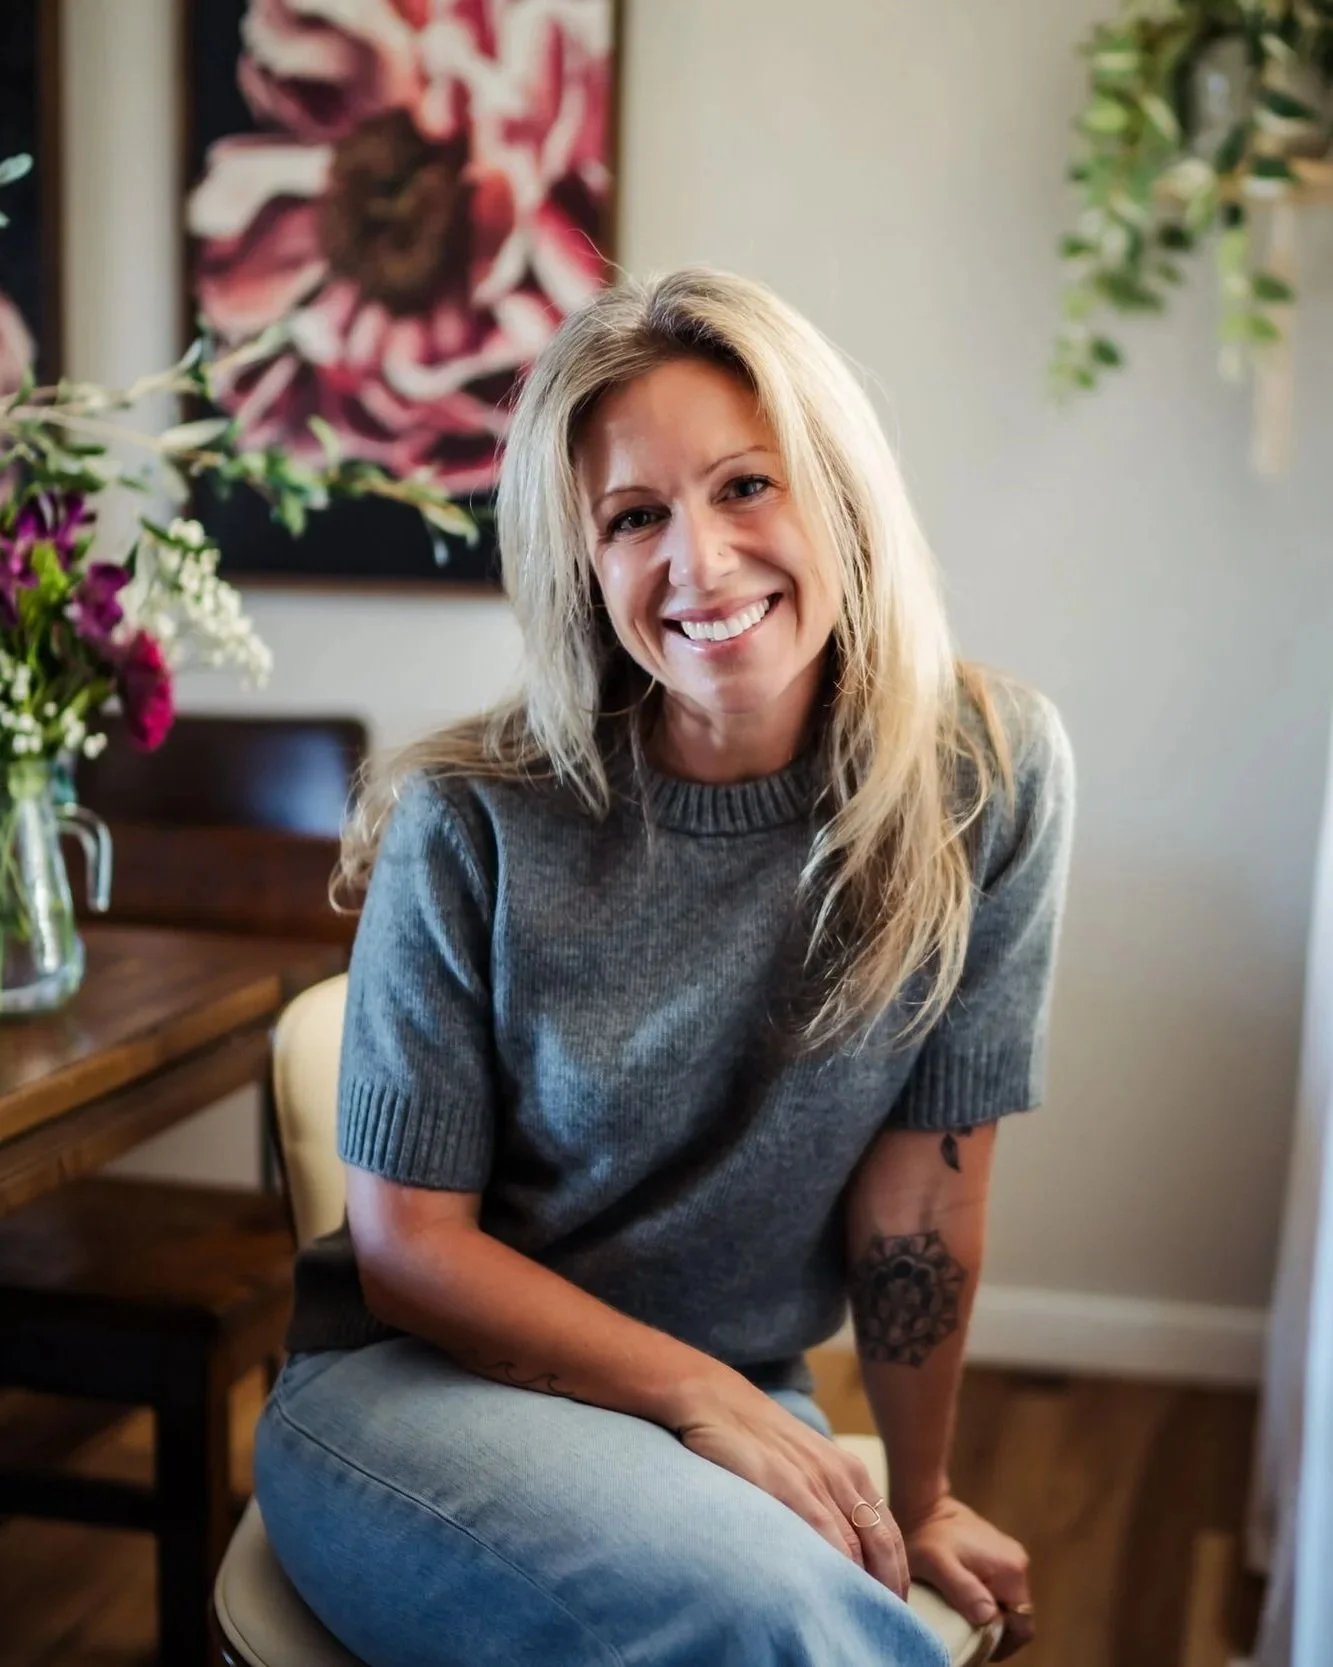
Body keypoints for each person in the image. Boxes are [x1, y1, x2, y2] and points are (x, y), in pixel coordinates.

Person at [254, 268, 1075, 1667]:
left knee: (835, 1622)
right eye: (635, 517)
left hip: (725, 1396)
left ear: (838, 491)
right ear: (583, 563)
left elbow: (917, 1208)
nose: (698, 560)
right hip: (419, 1394)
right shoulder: (470, 818)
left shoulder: (984, 777)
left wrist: (921, 1495)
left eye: (746, 486)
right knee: (780, 1630)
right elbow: (409, 1254)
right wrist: (700, 1392)